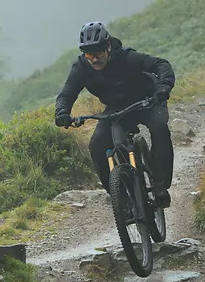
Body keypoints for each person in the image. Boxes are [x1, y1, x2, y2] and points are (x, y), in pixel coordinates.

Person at [52, 21, 177, 206]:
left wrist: (163, 86)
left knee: (159, 127)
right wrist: (62, 112)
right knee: (97, 145)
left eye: (98, 53)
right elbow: (66, 94)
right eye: (88, 54)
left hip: (148, 99)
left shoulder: (128, 57)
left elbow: (160, 64)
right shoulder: (81, 68)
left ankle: (160, 186)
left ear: (108, 47)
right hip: (116, 108)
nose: (94, 59)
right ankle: (122, 200)